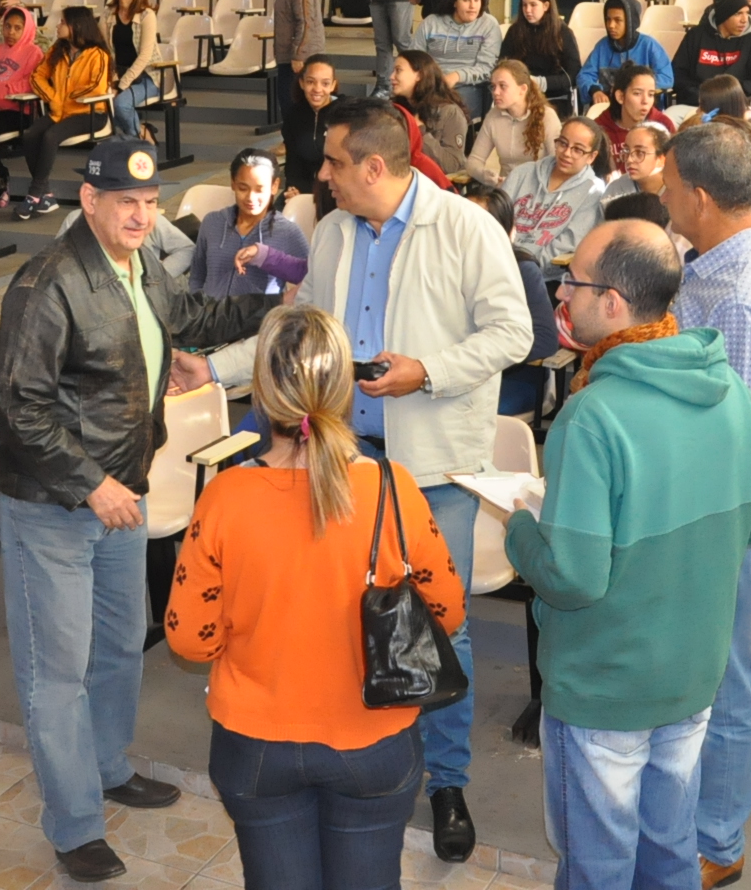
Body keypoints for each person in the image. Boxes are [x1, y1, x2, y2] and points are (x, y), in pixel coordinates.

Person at [205, 101, 533, 865]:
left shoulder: (465, 228)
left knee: (433, 622)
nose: (323, 175)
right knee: (344, 613)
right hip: (339, 459)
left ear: (374, 168)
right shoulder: (332, 232)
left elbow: (514, 332)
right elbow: (296, 330)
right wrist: (214, 369)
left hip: (430, 470)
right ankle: (358, 755)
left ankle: (447, 781)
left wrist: (429, 372)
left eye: (334, 163)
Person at [0, 137, 274, 882]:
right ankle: (74, 821)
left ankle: (109, 766)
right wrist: (91, 484)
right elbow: (20, 405)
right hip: (56, 501)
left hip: (124, 492)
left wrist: (274, 306)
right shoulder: (48, 281)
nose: (142, 217)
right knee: (55, 670)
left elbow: (189, 314)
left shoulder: (140, 263)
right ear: (89, 202)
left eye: (151, 204)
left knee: (119, 645)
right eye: (127, 203)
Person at [505, 220, 751, 890]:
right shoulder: (729, 389)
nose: (562, 293)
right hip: (692, 673)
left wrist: (519, 531)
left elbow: (572, 576)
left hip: (606, 684)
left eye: (574, 282)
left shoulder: (593, 416)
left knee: (597, 863)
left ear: (614, 304)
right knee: (669, 848)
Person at [168, 306, 462, 890]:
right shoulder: (391, 487)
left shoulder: (225, 496)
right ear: (344, 387)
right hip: (374, 741)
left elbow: (189, 640)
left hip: (255, 746)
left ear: (262, 389)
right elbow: (447, 613)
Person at [658, 123, 751, 886]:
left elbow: (737, 441)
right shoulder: (712, 261)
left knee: (725, 685)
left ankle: (719, 844)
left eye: (670, 184)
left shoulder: (740, 294)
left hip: (727, 523)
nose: (661, 193)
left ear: (701, 197)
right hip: (707, 510)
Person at [459, 187, 562, 416]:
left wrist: (477, 359)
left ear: (506, 232)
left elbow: (545, 340)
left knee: (464, 415)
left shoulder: (523, 269)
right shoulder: (446, 266)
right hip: (459, 374)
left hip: (514, 376)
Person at [13, 6, 111, 219]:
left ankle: (34, 193)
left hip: (90, 113)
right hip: (60, 111)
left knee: (50, 136)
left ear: (76, 26)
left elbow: (97, 87)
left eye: (63, 22)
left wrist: (66, 97)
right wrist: (52, 97)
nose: (58, 25)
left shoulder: (98, 54)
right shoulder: (58, 50)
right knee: (30, 135)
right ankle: (45, 194)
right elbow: (37, 76)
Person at [192, 150, 310, 297]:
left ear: (274, 186)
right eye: (243, 188)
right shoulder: (212, 222)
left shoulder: (288, 232)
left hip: (260, 319)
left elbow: (311, 279)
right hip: (211, 317)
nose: (250, 197)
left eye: (259, 189)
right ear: (233, 183)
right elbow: (197, 276)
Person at [505, 116, 610, 266]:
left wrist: (527, 267)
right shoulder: (523, 173)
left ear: (591, 157)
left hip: (541, 272)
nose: (567, 153)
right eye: (563, 143)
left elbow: (568, 243)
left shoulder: (593, 190)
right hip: (500, 260)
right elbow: (495, 220)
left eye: (577, 150)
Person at [413, 0, 502, 121]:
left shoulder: (489, 25)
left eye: (477, 0)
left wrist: (456, 76)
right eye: (466, 0)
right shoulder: (431, 23)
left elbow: (486, 68)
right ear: (454, 2)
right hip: (432, 83)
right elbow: (414, 59)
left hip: (470, 86)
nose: (473, 6)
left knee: (447, 112)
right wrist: (431, 80)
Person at [466, 59, 554, 189]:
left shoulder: (547, 116)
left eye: (502, 86)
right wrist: (485, 176)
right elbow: (473, 162)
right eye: (493, 86)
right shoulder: (493, 116)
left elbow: (556, 164)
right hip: (504, 190)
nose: (495, 92)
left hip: (538, 188)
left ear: (522, 89)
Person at [672, 0, 751, 104]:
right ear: (723, 15)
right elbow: (679, 74)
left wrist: (729, 94)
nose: (744, 20)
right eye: (738, 13)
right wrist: (701, 96)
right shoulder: (696, 36)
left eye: (747, 13)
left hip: (736, 105)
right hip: (697, 104)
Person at [270, 0, 328, 126]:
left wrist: (299, 54)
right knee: (288, 101)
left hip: (300, 56)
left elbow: (306, 23)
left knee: (294, 101)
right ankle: (291, 140)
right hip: (290, 55)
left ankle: (295, 142)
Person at [577, 0, 672, 107]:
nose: (611, 26)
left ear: (631, 22)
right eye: (608, 19)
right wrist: (595, 90)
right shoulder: (602, 46)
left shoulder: (649, 45)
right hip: (610, 107)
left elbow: (667, 78)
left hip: (642, 108)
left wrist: (633, 86)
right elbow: (584, 75)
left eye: (618, 20)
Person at [501, 0, 583, 106]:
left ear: (546, 6)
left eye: (533, 5)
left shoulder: (563, 33)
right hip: (521, 95)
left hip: (555, 97)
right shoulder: (515, 31)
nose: (528, 10)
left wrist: (541, 83)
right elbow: (503, 63)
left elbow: (572, 75)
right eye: (524, 5)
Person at [101, 0, 160, 139]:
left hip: (147, 76)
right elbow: (105, 52)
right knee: (101, 103)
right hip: (118, 73)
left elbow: (145, 56)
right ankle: (141, 132)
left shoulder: (146, 15)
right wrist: (113, 80)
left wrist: (121, 86)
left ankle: (137, 140)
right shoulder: (107, 14)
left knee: (121, 104)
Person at [390, 49, 468, 175]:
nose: (391, 76)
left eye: (398, 70)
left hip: (434, 188)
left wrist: (420, 132)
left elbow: (453, 165)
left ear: (419, 75)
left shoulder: (450, 112)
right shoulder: (394, 110)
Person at [0, 5, 42, 143]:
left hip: (16, 111)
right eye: (7, 26)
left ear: (26, 29)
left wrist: (3, 91)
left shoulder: (34, 52)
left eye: (17, 28)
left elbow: (31, 82)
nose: (11, 32)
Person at [281, 55, 340, 201]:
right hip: (304, 190)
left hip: (339, 191)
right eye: (310, 82)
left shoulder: (345, 114)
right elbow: (293, 162)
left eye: (325, 83)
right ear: (301, 83)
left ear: (333, 86)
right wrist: (293, 189)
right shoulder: (294, 115)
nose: (317, 89)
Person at [593, 62, 673, 168]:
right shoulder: (599, 128)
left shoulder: (663, 125)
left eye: (651, 94)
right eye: (637, 93)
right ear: (620, 97)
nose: (645, 101)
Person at [603, 119, 672, 202]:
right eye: (627, 151)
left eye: (639, 153)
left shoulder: (678, 191)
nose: (629, 160)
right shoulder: (616, 190)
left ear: (662, 158)